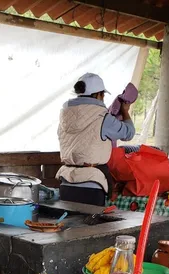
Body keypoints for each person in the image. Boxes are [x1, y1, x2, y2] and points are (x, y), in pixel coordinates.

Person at [57, 72, 135, 206]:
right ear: (99, 95)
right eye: (103, 95)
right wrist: (125, 111)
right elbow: (129, 133)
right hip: (91, 184)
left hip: (66, 181)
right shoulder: (101, 117)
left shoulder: (64, 116)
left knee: (70, 225)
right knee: (91, 226)